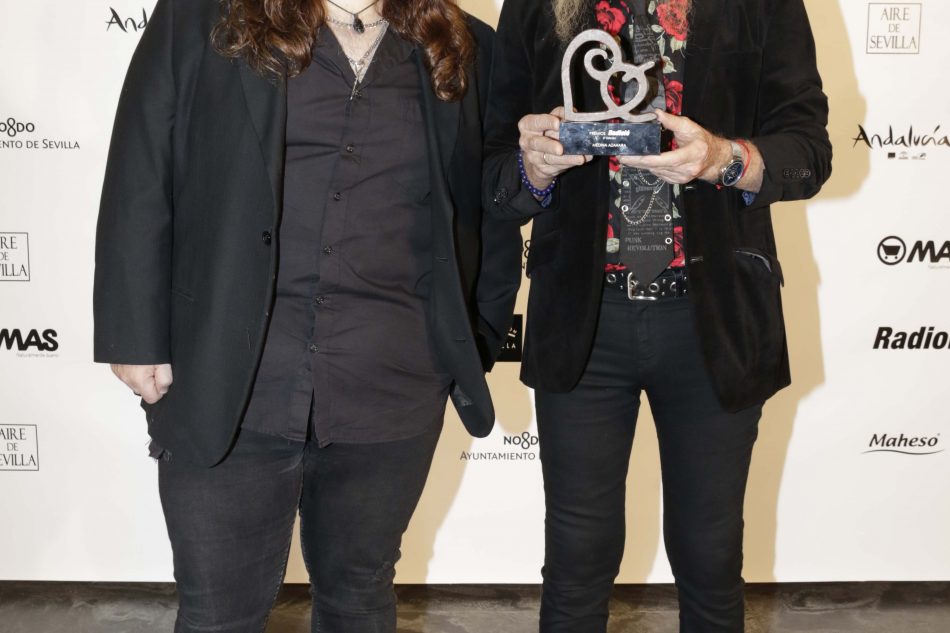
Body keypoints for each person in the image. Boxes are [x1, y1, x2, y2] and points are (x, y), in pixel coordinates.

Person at [93, 0, 520, 630]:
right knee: (217, 614)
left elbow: (485, 205)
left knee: (359, 597)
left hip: (393, 383)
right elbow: (141, 164)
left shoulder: (462, 44)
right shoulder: (202, 16)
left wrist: (470, 339)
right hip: (231, 376)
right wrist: (134, 333)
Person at [483, 0, 831, 630]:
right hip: (581, 322)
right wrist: (533, 169)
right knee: (576, 563)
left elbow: (808, 151)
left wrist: (722, 158)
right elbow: (493, 171)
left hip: (715, 319)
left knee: (711, 560)